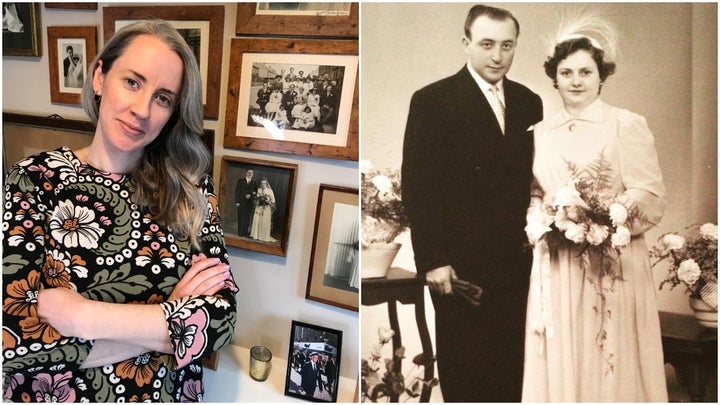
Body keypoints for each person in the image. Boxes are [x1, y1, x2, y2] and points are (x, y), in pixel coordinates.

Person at [2, 20, 238, 403]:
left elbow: (222, 320)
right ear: (99, 77)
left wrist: (84, 317)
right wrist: (173, 315)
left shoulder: (191, 190)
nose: (141, 109)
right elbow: (13, 338)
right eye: (132, 82)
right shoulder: (34, 179)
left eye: (163, 98)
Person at [401, 4, 543, 402]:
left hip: (517, 265)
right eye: (486, 44)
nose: (498, 56)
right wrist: (433, 260)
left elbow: (536, 180)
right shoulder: (433, 100)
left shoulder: (529, 102)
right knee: (467, 373)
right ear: (466, 44)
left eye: (507, 45)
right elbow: (418, 185)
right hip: (459, 267)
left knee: (513, 372)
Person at [521, 16, 667, 402]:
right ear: (554, 77)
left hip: (614, 259)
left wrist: (603, 217)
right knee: (567, 347)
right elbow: (536, 191)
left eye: (586, 71)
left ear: (601, 75)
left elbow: (648, 192)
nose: (576, 81)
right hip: (560, 263)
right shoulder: (540, 132)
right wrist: (544, 218)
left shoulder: (625, 124)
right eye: (566, 72)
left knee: (611, 353)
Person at [249, 178, 277, 242]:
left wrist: (267, 201)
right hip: (259, 207)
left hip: (266, 208)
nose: (263, 185)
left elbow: (273, 201)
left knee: (264, 222)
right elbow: (256, 198)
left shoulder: (269, 191)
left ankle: (263, 236)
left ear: (266, 184)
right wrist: (259, 200)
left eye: (264, 183)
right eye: (261, 183)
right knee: (257, 221)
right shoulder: (259, 190)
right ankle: (256, 235)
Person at [235, 168, 257, 237]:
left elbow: (255, 192)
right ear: (246, 173)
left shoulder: (254, 182)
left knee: (247, 218)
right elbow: (237, 191)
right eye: (249, 172)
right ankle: (240, 232)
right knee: (241, 217)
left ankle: (245, 232)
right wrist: (237, 201)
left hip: (249, 203)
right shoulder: (240, 181)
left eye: (252, 173)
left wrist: (251, 195)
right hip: (241, 202)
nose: (250, 174)